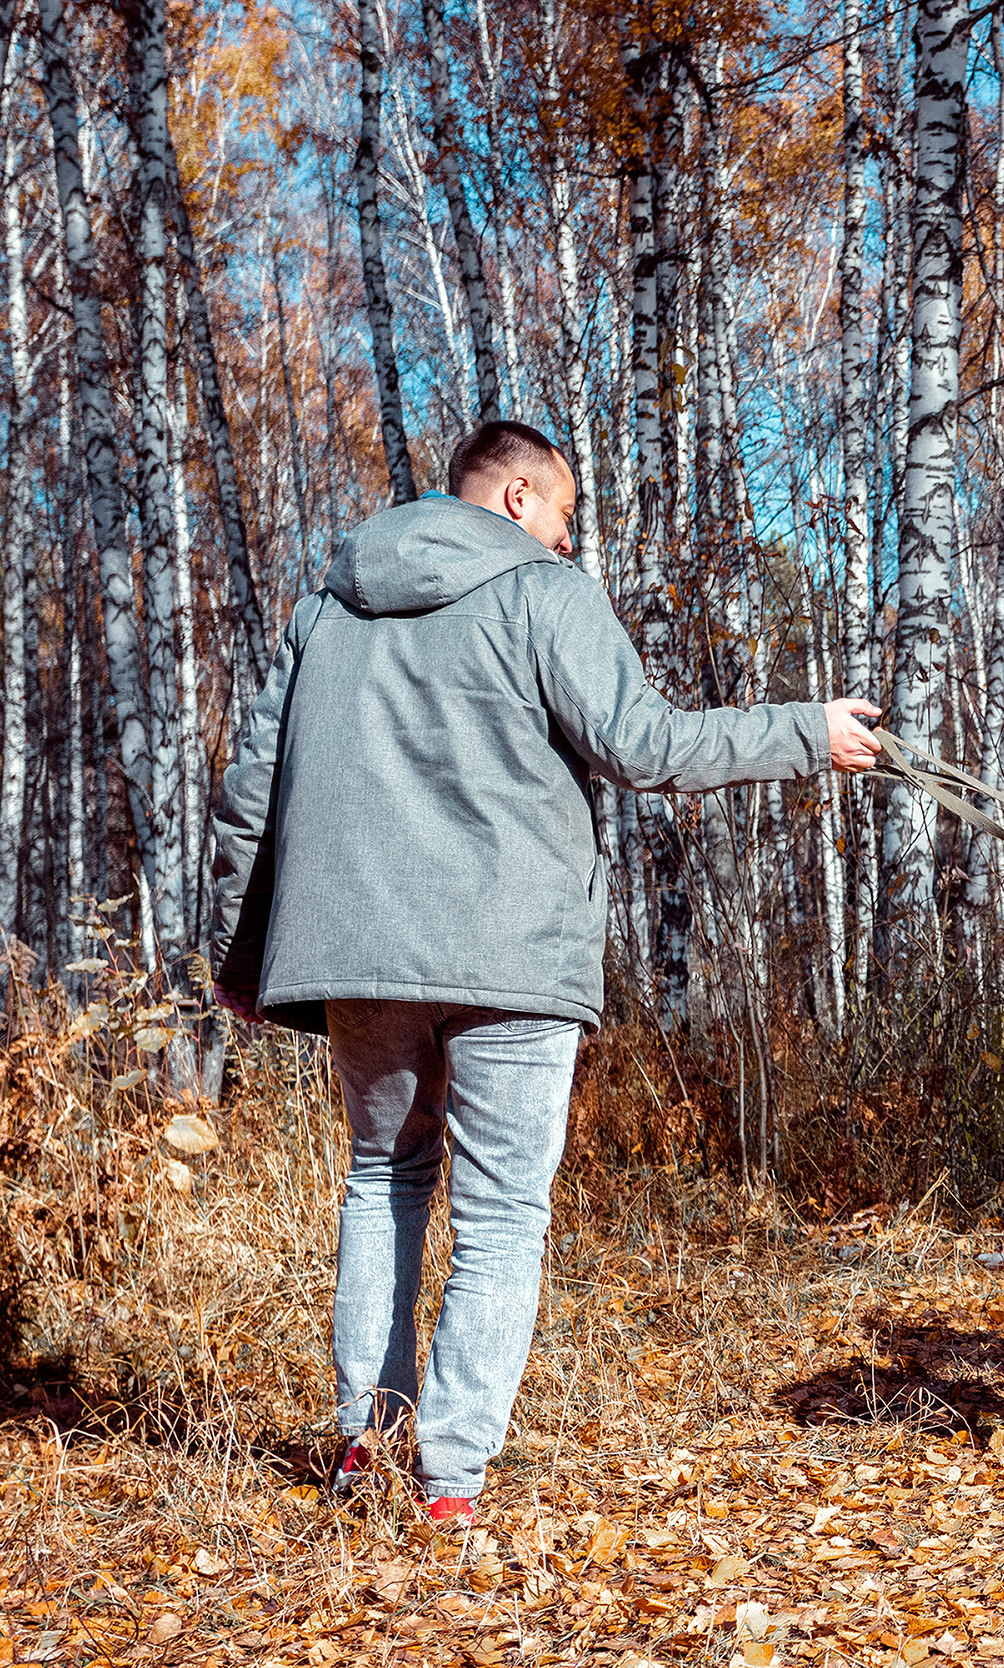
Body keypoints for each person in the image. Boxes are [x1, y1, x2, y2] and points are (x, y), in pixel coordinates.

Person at [205, 420, 883, 1523]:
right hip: (510, 951)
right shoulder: (542, 591)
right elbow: (646, 746)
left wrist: (244, 954)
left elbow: (248, 794)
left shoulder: (324, 608)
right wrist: (807, 729)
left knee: (383, 1180)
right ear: (518, 498)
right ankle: (450, 1486)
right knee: (504, 1213)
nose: (571, 539)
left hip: (357, 950)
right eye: (566, 514)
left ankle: (366, 1446)